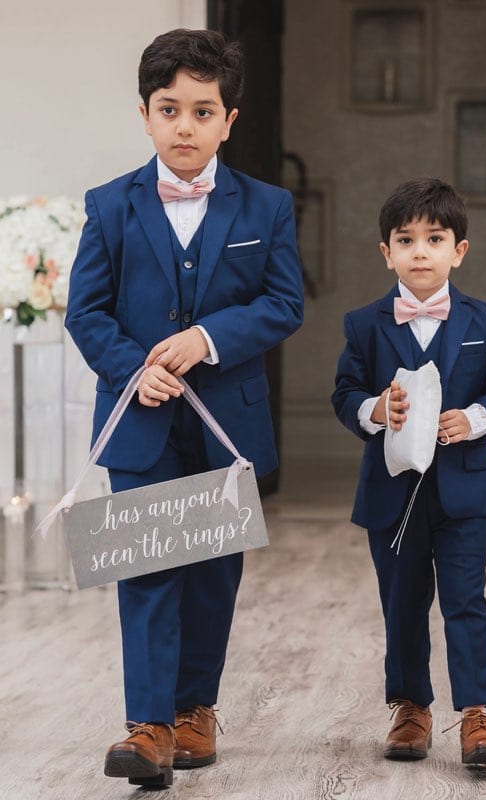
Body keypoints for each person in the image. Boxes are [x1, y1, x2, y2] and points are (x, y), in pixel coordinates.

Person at [65, 28, 303, 788]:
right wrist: (132, 369)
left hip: (228, 421)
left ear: (228, 121)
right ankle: (148, 727)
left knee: (212, 571)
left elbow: (284, 303)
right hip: (139, 423)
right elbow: (86, 312)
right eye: (169, 110)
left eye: (203, 112)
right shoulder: (109, 205)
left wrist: (207, 338)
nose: (185, 127)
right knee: (146, 568)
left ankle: (196, 709)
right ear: (144, 115)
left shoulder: (267, 206)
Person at [332, 178, 486, 766]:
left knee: (466, 599)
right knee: (403, 602)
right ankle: (410, 707)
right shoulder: (364, 324)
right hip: (391, 493)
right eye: (405, 240)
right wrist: (374, 410)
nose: (420, 252)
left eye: (434, 239)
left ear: (458, 251)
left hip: (464, 491)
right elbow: (345, 393)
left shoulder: (485, 319)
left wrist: (476, 419)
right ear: (385, 252)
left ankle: (478, 713)